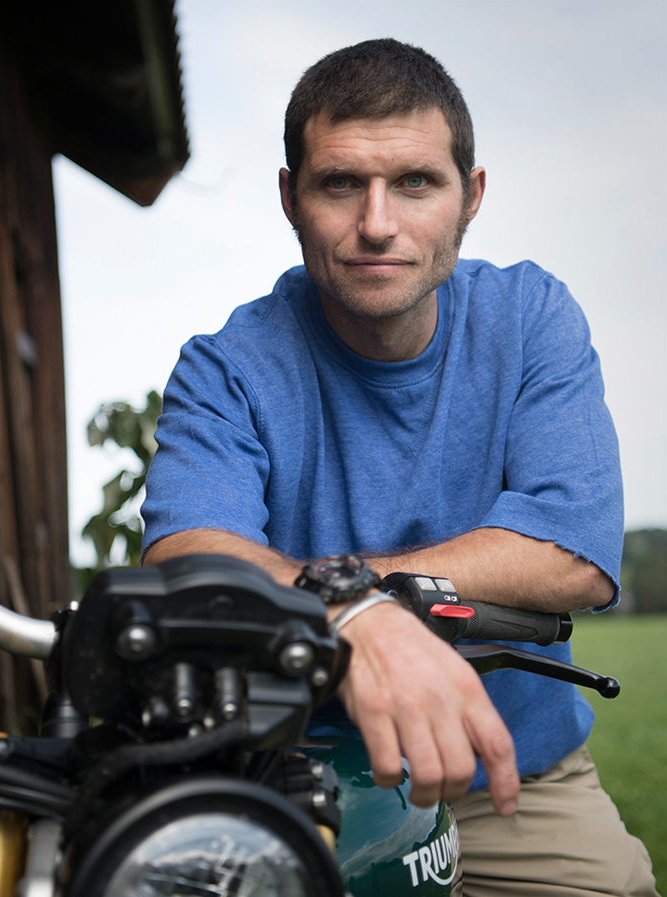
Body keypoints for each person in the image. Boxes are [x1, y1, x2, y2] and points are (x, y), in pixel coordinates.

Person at [139, 39, 655, 896]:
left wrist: (354, 592)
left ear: (470, 197)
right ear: (290, 197)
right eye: (341, 183)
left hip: (512, 774)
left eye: (416, 182)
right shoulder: (225, 366)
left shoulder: (531, 317)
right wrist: (352, 611)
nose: (377, 223)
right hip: (300, 775)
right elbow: (188, 552)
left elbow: (572, 552)